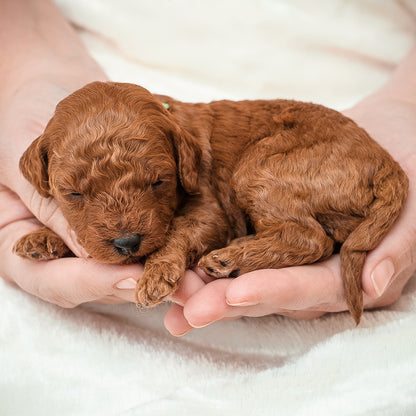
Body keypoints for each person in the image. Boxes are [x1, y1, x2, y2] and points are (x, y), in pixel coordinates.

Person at [1, 0, 415, 336]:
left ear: (183, 159)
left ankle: (300, 238)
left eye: (156, 183)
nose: (125, 232)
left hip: (337, 127)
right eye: (75, 194)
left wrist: (408, 105)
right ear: (42, 177)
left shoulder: (191, 143)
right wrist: (22, 77)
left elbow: (208, 212)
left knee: (258, 178)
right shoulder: (61, 157)